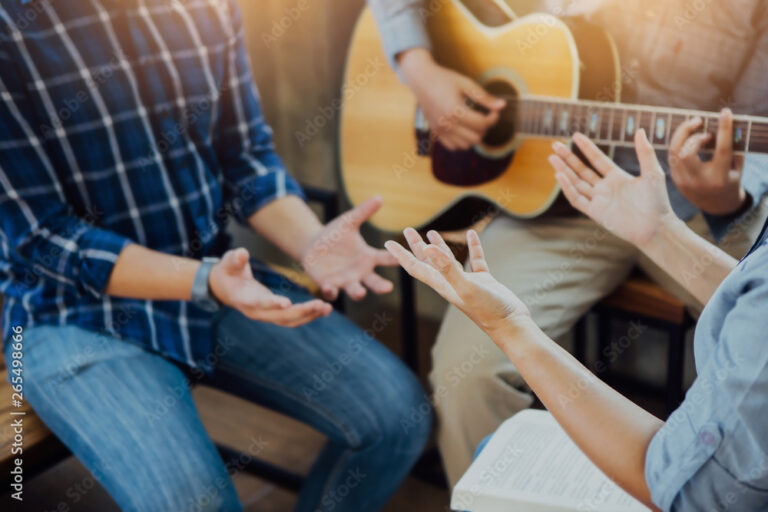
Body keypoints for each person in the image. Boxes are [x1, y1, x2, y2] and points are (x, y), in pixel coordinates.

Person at [0, 1, 431, 510]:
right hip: (65, 314)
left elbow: (244, 156)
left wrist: (311, 242)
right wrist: (205, 280)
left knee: (397, 418)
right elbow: (44, 238)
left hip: (215, 283)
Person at [368, 0, 768, 485]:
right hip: (554, 202)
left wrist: (727, 197)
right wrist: (419, 65)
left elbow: (754, 128)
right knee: (467, 375)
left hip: (697, 208)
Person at [386, 128, 768, 511]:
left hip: (710, 211)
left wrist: (509, 328)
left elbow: (692, 494)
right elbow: (748, 300)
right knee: (467, 371)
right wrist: (658, 233)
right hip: (575, 205)